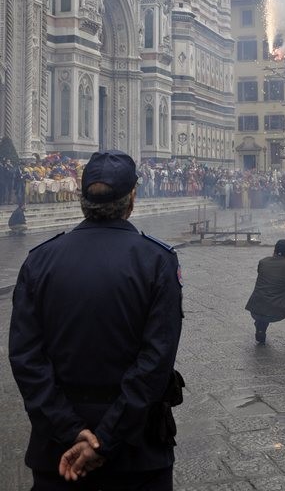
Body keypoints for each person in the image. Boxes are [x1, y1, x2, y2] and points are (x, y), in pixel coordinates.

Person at [9, 149, 183, 490]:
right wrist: (106, 437)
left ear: (81, 198)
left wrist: (71, 431)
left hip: (59, 453)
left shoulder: (39, 260)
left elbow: (26, 358)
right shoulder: (157, 260)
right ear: (133, 197)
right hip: (137, 450)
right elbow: (155, 360)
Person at [245, 239, 285, 345]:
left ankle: (261, 329)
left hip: (255, 311)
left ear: (274, 251)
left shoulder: (263, 262)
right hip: (273, 313)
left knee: (265, 295)